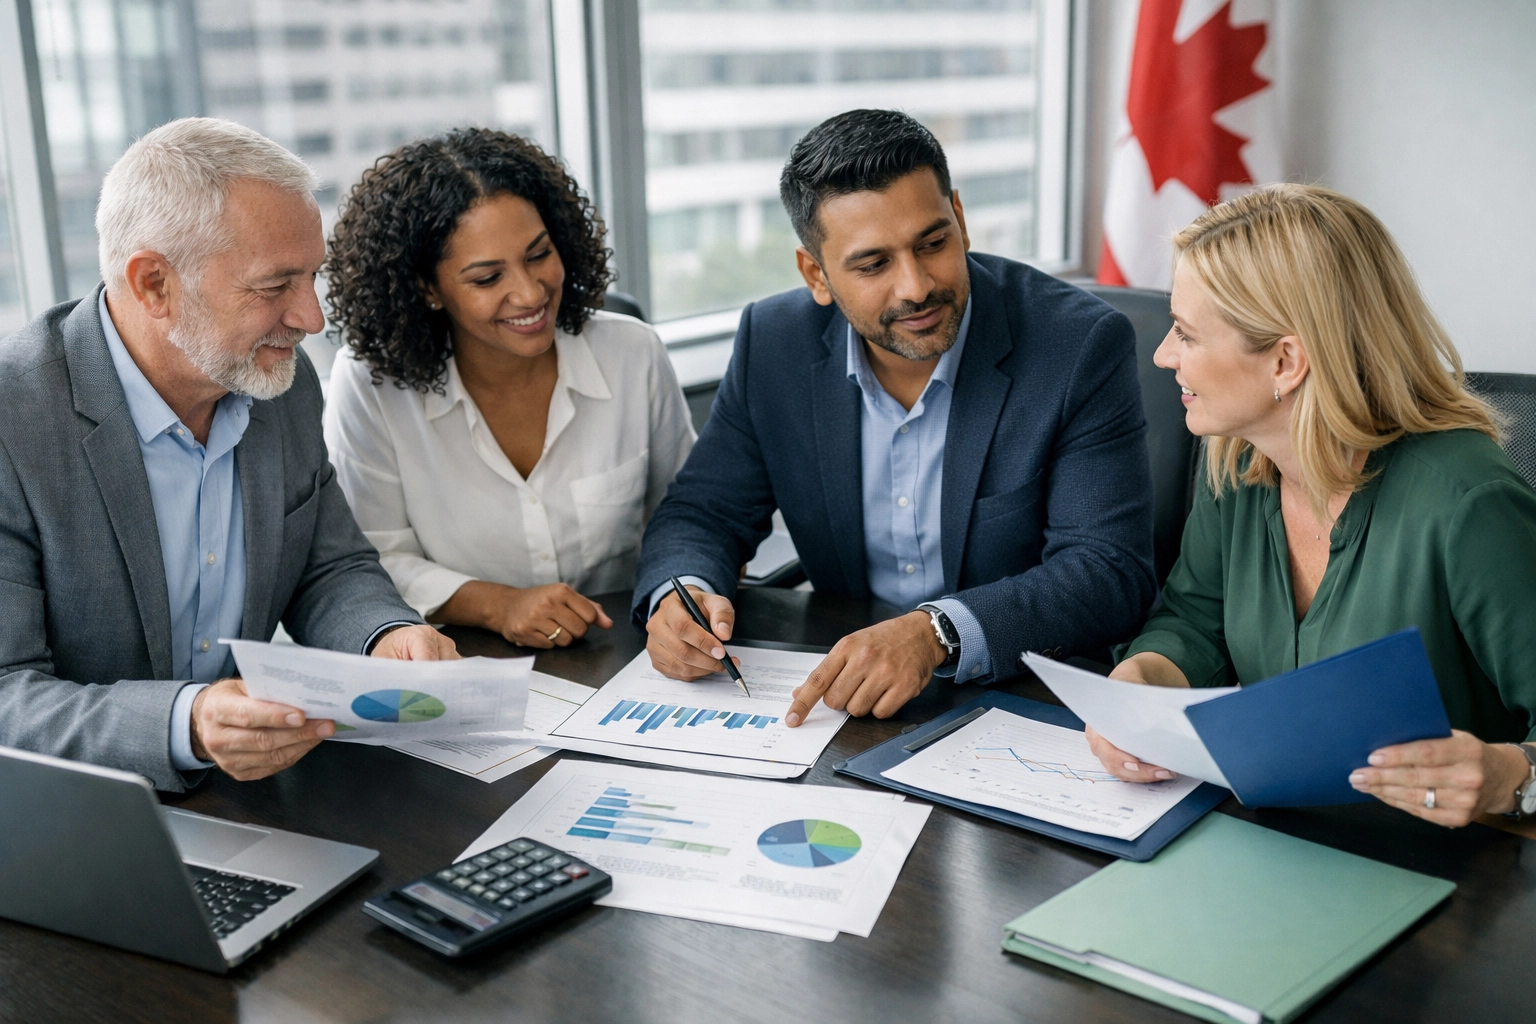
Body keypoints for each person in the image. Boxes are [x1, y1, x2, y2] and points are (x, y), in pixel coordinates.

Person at [635, 109, 1158, 726]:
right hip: (845, 693)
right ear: (816, 275)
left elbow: (1107, 571)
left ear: (960, 219)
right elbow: (705, 511)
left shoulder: (1076, 345)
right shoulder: (773, 343)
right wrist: (682, 592)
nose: (915, 286)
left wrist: (937, 632)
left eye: (933, 244)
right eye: (873, 264)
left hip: (1020, 694)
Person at [0, 118, 457, 793]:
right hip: (77, 825)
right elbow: (8, 697)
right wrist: (187, 723)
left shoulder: (279, 380)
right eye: (275, 288)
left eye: (312, 279)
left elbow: (328, 567)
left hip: (248, 796)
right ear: (154, 283)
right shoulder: (16, 419)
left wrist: (384, 636)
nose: (311, 319)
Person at [1089, 183, 1536, 828]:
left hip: (1464, 875)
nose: (1162, 356)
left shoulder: (1469, 505)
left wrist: (1510, 779)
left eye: (1185, 335)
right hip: (1293, 842)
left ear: (1286, 361)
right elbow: (1193, 621)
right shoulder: (1238, 463)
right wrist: (1141, 680)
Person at [323, 128, 695, 649]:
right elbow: (367, 558)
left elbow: (688, 518)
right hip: (456, 661)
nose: (529, 292)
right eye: (486, 278)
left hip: (624, 661)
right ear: (427, 288)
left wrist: (685, 599)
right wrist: (499, 604)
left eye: (539, 254)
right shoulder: (371, 385)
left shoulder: (632, 354)